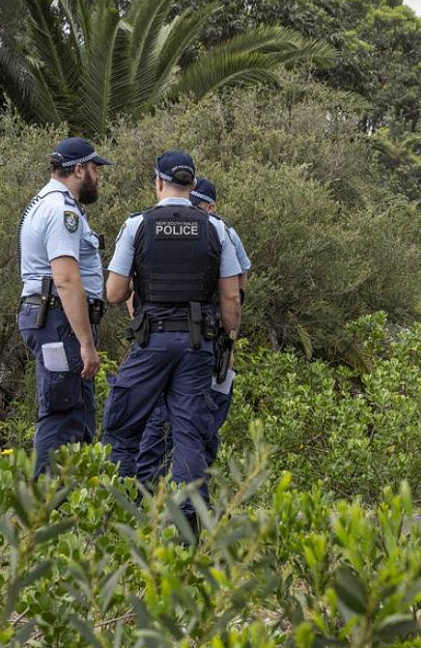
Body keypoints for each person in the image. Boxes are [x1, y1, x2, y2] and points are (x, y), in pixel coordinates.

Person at [101, 151, 242, 531]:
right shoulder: (216, 229)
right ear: (193, 186)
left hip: (151, 343)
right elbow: (231, 297)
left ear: (157, 182)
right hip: (199, 346)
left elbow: (113, 293)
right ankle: (190, 527)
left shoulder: (137, 226)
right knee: (189, 433)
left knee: (122, 425)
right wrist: (227, 345)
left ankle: (120, 514)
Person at [134, 176, 251, 485]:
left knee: (195, 425)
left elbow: (237, 291)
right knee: (181, 424)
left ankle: (171, 500)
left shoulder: (217, 230)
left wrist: (228, 342)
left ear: (210, 205)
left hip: (194, 340)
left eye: (196, 203)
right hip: (197, 343)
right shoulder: (217, 231)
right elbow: (237, 291)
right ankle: (176, 504)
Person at [18, 136, 111, 478]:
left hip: (54, 318)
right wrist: (86, 343)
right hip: (58, 320)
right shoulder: (62, 211)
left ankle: (73, 509)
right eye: (94, 169)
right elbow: (67, 279)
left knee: (78, 412)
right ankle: (42, 511)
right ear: (78, 169)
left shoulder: (46, 203)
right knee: (62, 413)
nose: (97, 176)